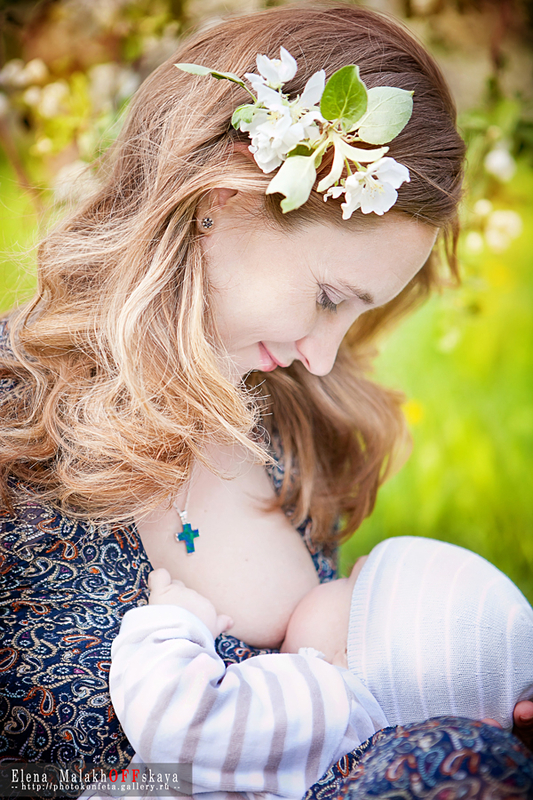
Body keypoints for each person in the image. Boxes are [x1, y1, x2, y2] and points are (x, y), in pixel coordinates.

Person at [1, 2, 532, 795]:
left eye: (355, 314)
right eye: (327, 297)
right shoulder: (15, 427)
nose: (322, 357)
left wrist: (460, 702)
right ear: (222, 201)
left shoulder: (291, 416)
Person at [101, 536, 533, 800]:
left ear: (349, 650)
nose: (329, 579)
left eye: (345, 582)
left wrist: (175, 623)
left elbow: (177, 724)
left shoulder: (322, 695)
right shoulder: (353, 750)